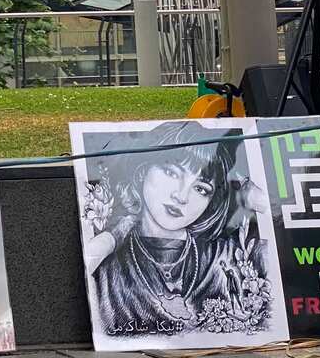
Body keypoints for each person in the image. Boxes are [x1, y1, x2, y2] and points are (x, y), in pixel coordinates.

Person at [84, 121, 272, 340]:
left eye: (201, 189)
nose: (181, 196)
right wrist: (111, 237)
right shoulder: (111, 262)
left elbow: (295, 246)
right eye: (171, 173)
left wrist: (260, 201)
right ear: (143, 169)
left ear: (211, 201)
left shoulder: (233, 256)